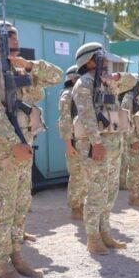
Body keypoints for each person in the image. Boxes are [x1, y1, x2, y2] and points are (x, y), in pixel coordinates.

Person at [0, 21, 62, 278]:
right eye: (10, 36)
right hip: (0, 151)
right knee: (2, 206)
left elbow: (56, 76)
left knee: (21, 204)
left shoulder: (20, 71)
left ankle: (17, 254)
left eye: (16, 35)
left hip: (22, 147)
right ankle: (2, 263)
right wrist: (13, 142)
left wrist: (29, 66)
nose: (16, 40)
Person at [71, 43, 136, 254]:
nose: (107, 62)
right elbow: (86, 115)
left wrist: (115, 78)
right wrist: (96, 143)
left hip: (113, 144)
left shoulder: (107, 82)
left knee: (110, 191)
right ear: (88, 61)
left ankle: (105, 232)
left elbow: (132, 81)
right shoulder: (84, 83)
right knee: (96, 192)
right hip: (95, 146)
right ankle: (93, 238)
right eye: (101, 58)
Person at [58, 65, 87, 219]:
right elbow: (64, 121)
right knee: (77, 176)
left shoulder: (81, 94)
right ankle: (75, 207)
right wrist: (69, 145)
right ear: (73, 79)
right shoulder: (68, 95)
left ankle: (82, 204)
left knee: (85, 175)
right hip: (74, 141)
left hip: (84, 140)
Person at [120, 78, 139, 206]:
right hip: (133, 139)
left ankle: (137, 194)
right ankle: (133, 196)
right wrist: (134, 140)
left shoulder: (136, 98)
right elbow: (127, 121)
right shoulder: (129, 99)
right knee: (135, 168)